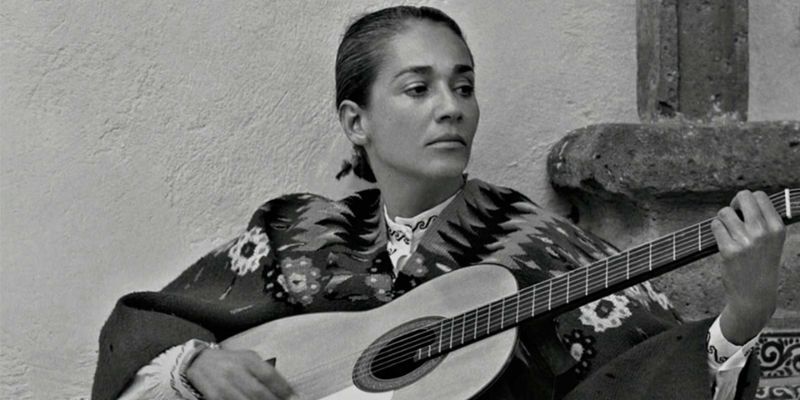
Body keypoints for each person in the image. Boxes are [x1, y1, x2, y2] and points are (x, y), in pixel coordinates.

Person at [92, 6, 787, 400]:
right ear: (356, 121)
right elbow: (146, 327)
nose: (451, 107)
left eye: (463, 86)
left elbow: (639, 379)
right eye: (418, 89)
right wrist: (192, 365)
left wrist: (742, 318)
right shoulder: (295, 233)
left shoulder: (542, 249)